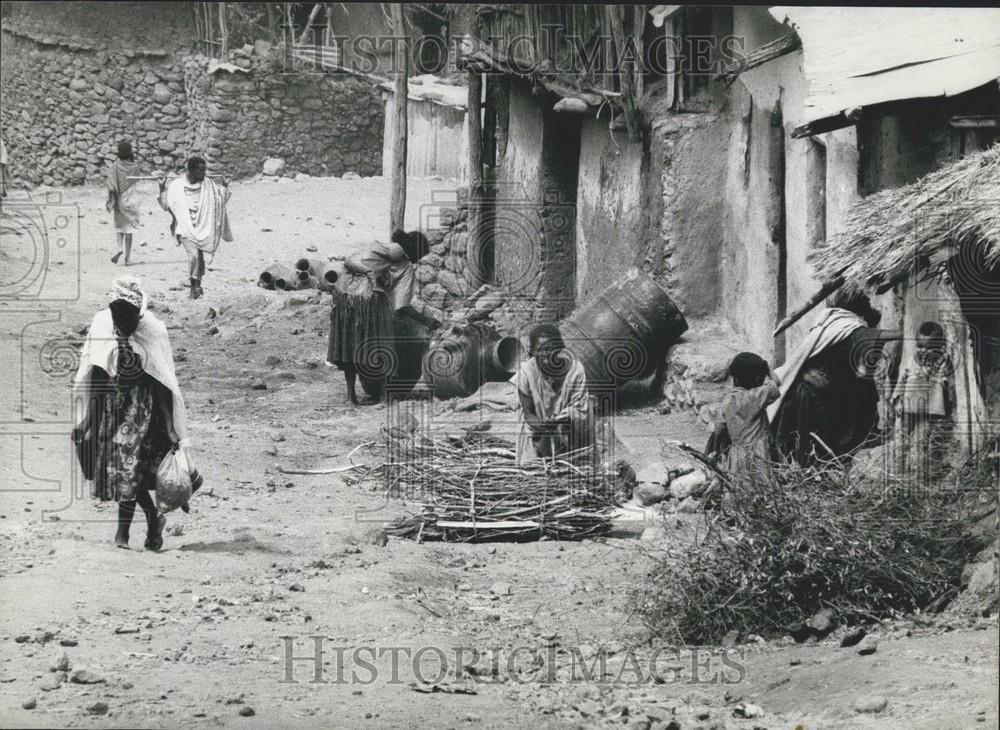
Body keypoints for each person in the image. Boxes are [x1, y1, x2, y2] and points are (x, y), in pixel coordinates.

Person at [71, 275, 188, 550]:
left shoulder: (153, 331)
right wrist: (88, 421)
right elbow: (97, 372)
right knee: (125, 474)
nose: (124, 324)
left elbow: (162, 381)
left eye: (130, 319)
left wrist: (171, 427)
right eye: (119, 319)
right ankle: (151, 518)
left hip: (142, 413)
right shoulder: (102, 324)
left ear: (139, 313)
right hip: (111, 411)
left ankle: (122, 534)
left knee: (129, 470)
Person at [770, 288, 902, 465]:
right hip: (814, 396)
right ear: (861, 310)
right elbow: (873, 336)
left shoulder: (828, 323)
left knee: (803, 443)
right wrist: (907, 333)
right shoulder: (850, 327)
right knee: (819, 443)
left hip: (803, 391)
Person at [327, 242, 416, 405]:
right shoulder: (400, 263)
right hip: (368, 299)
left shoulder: (369, 250)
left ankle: (350, 395)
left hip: (343, 295)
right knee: (382, 343)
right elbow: (401, 296)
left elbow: (348, 263)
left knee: (349, 345)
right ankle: (385, 395)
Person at [512, 324, 594, 464]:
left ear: (560, 349)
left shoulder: (575, 371)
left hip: (568, 428)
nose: (546, 354)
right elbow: (528, 414)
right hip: (537, 430)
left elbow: (580, 408)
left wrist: (559, 419)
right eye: (540, 350)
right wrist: (542, 425)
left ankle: (579, 460)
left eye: (551, 349)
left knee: (592, 420)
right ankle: (532, 463)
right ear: (532, 352)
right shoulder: (525, 373)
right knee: (527, 434)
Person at [157, 157, 232, 299]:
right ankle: (193, 288)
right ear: (190, 170)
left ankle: (198, 286)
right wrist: (161, 187)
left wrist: (224, 185)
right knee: (194, 256)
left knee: (200, 257)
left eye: (205, 170)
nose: (204, 174)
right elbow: (166, 205)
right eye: (201, 170)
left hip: (203, 226)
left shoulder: (208, 185)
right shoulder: (176, 186)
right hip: (184, 227)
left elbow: (220, 201)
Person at [892, 321, 956, 480]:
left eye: (929, 347)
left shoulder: (942, 362)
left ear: (939, 346)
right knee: (901, 440)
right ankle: (897, 473)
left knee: (921, 442)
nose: (923, 350)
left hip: (929, 411)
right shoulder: (911, 360)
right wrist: (898, 401)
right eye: (920, 346)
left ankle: (919, 477)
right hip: (907, 408)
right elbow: (901, 380)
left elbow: (950, 381)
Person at [710, 352, 781, 483]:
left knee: (740, 487)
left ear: (734, 377)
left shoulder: (726, 402)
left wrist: (715, 452)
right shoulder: (756, 396)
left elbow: (718, 430)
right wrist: (768, 369)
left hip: (737, 454)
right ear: (757, 379)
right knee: (763, 487)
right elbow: (776, 382)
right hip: (759, 453)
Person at [106, 141, 143, 265]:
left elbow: (111, 185)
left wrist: (110, 200)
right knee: (130, 230)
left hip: (120, 200)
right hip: (132, 200)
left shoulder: (115, 166)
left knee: (120, 226)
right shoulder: (134, 167)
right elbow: (138, 179)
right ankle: (127, 259)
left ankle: (119, 248)